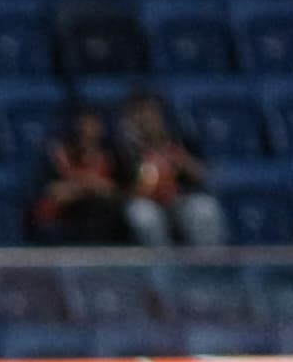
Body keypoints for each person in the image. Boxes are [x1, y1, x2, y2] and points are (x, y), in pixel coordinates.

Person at [118, 92, 226, 251]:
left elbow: (204, 175)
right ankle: (163, 270)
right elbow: (124, 193)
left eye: (152, 112)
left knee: (205, 208)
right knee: (142, 214)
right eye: (141, 113)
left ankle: (208, 268)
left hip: (180, 201)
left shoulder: (181, 140)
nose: (148, 119)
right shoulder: (125, 150)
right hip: (149, 203)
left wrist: (179, 159)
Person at [31, 105, 135, 247]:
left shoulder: (112, 154)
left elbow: (120, 190)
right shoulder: (58, 154)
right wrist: (90, 187)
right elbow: (54, 191)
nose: (88, 130)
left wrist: (86, 188)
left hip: (104, 213)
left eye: (93, 124)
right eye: (84, 125)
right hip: (67, 212)